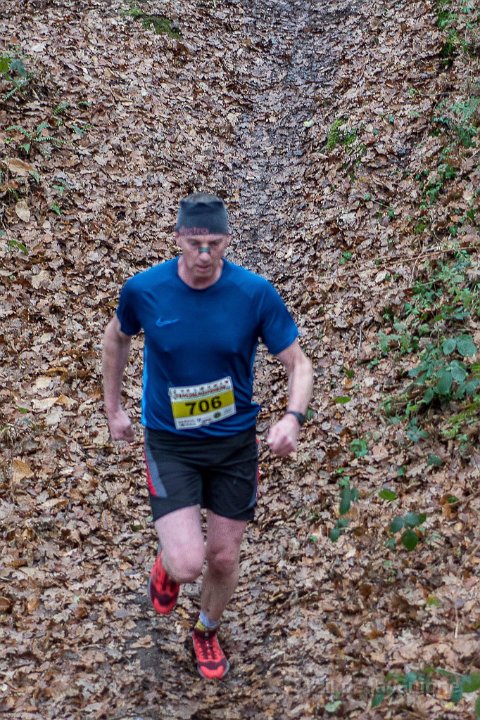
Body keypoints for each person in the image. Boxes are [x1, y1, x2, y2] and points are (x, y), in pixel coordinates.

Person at [102, 192, 313, 680]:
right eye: (194, 243)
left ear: (227, 241)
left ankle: (205, 630)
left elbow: (299, 364)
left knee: (222, 557)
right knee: (187, 563)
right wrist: (113, 409)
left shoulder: (254, 294)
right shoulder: (145, 290)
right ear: (177, 238)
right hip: (170, 443)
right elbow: (117, 337)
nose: (203, 255)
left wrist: (292, 417)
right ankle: (169, 564)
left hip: (234, 445)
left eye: (213, 244)